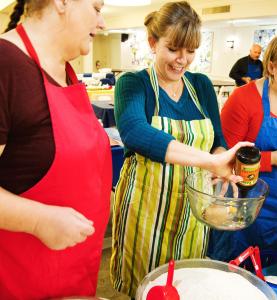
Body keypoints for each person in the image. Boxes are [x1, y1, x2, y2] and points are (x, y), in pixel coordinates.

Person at [110, 1, 252, 297]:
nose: (182, 60)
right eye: (174, 48)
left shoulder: (200, 86)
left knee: (185, 286)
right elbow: (135, 132)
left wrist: (218, 158)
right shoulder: (133, 85)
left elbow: (217, 141)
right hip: (145, 210)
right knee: (145, 287)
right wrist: (210, 163)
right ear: (153, 42)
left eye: (190, 51)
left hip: (192, 213)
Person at [0, 0, 112, 299]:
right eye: (97, 8)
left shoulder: (65, 69)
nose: (102, 24)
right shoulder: (5, 65)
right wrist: (37, 220)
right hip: (20, 280)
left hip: (73, 272)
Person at [208, 31, 277, 262]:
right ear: (271, 67)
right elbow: (223, 161)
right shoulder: (243, 100)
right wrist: (273, 159)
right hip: (247, 210)